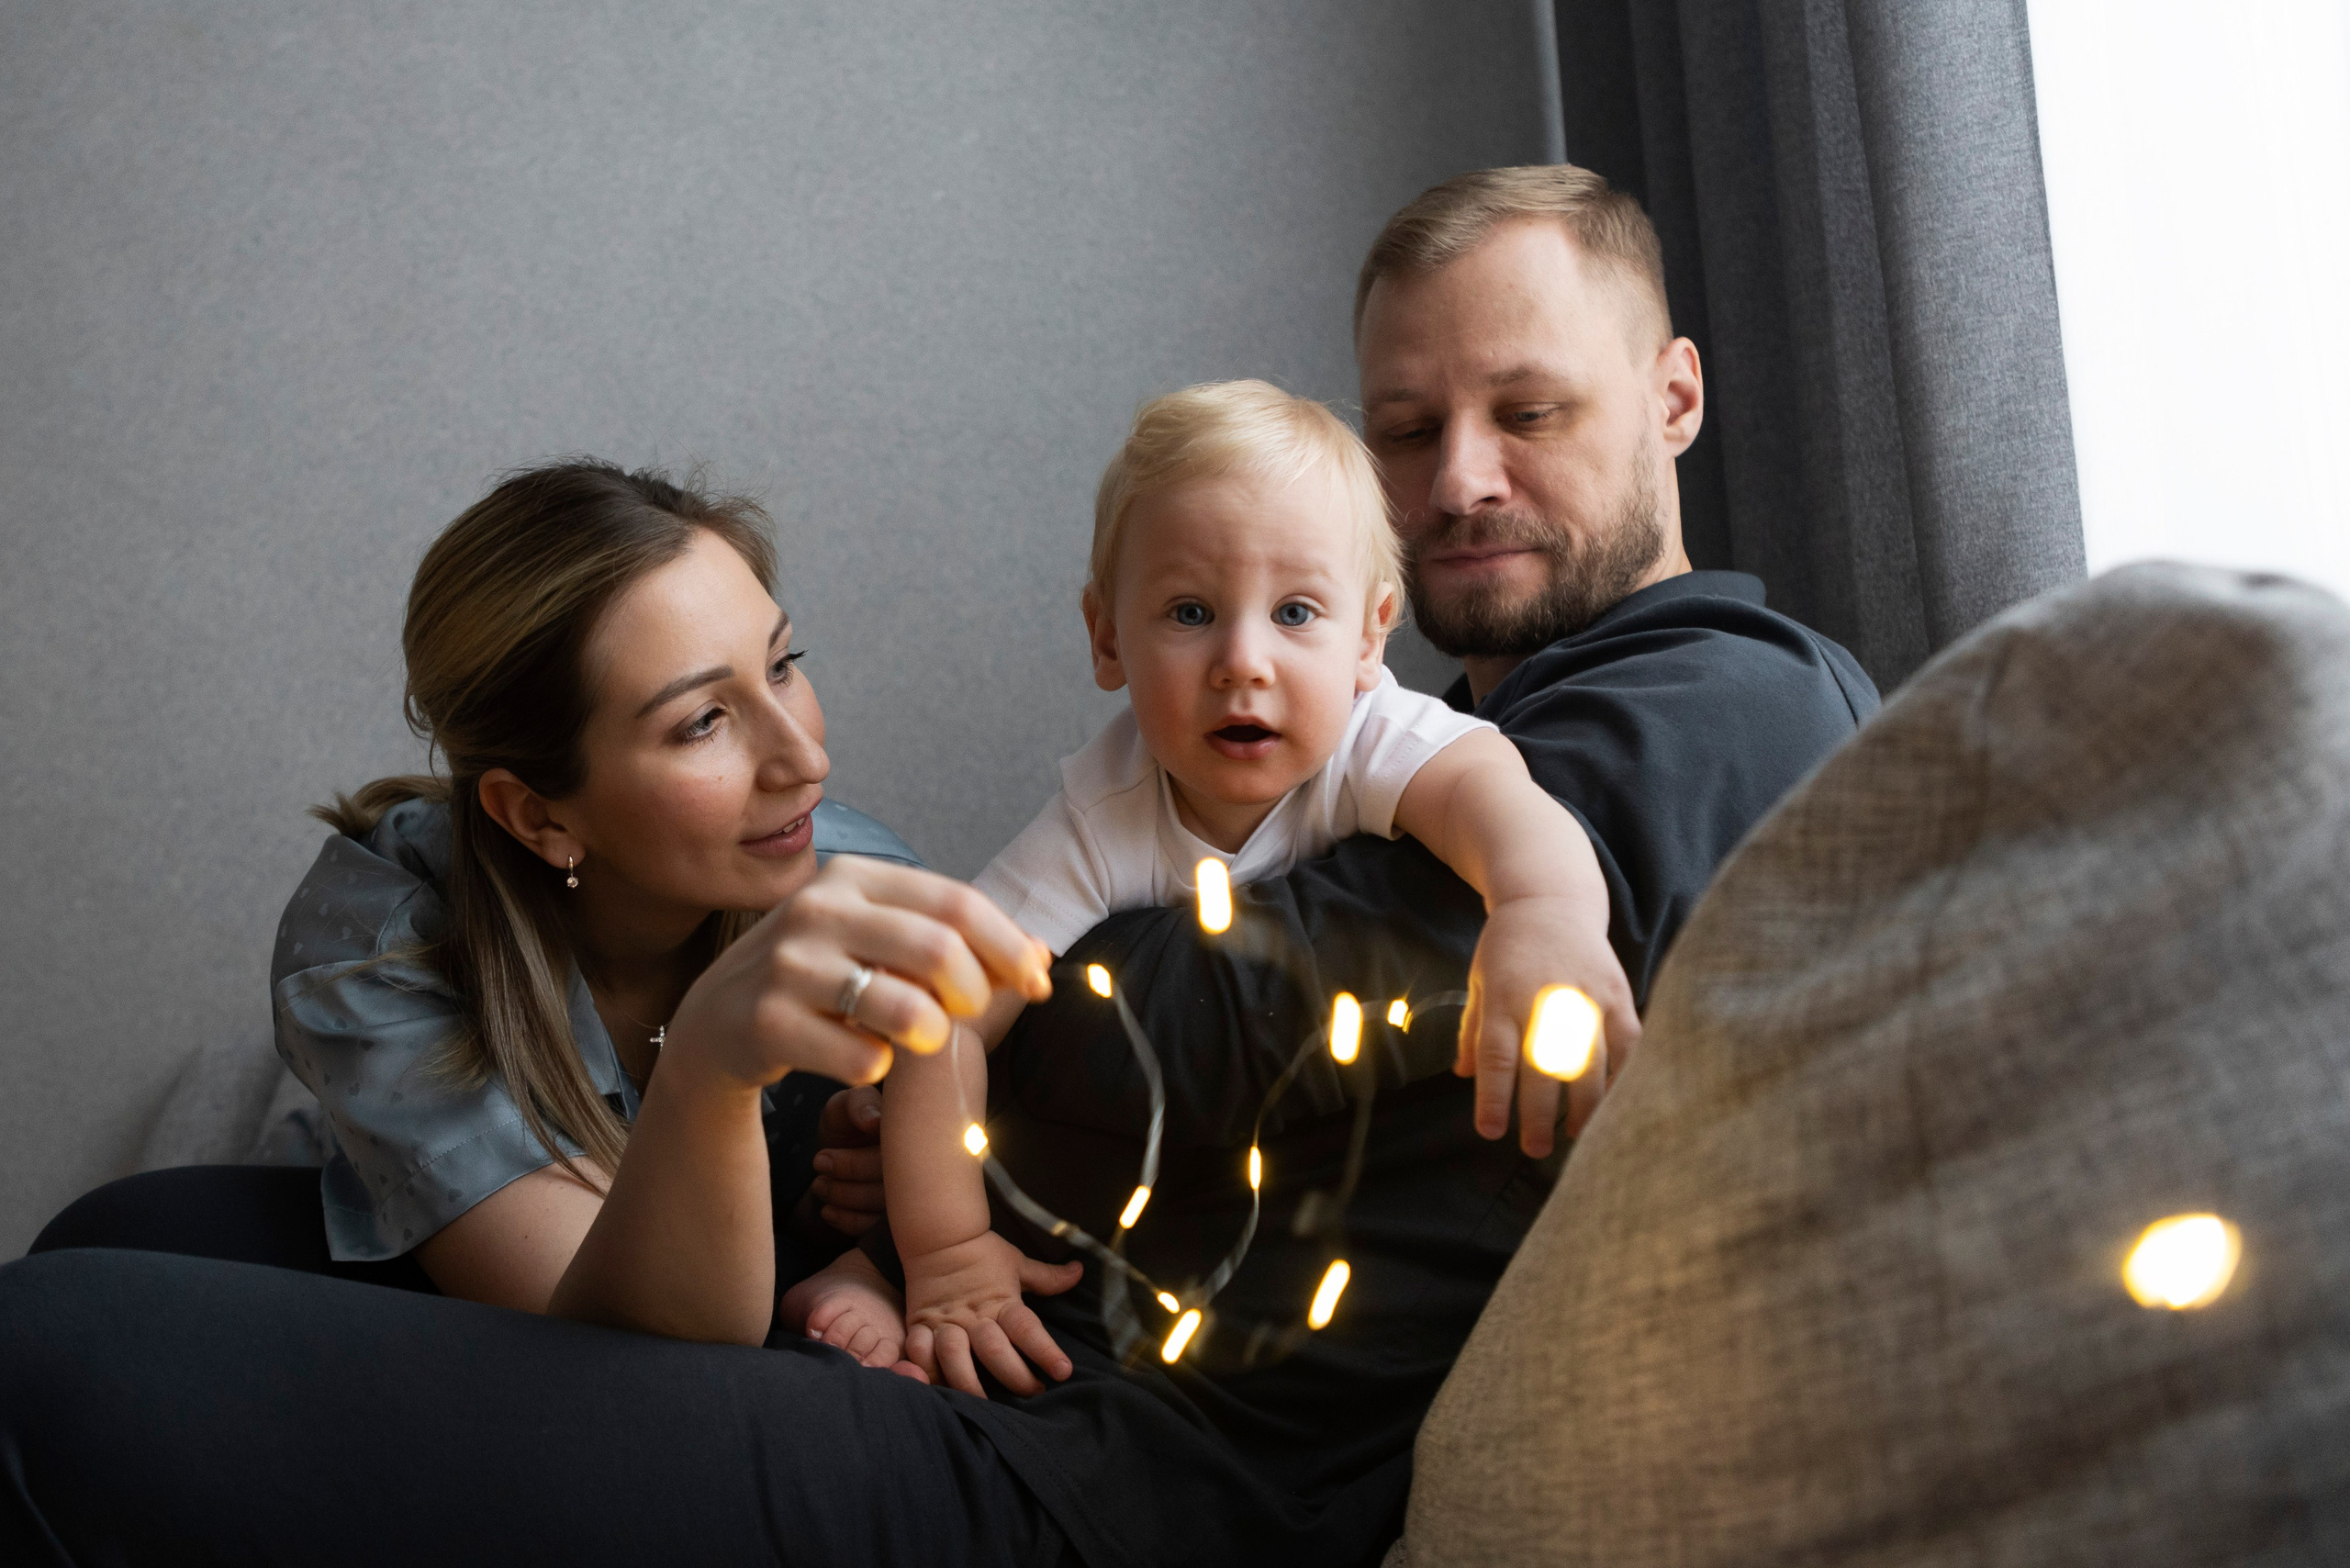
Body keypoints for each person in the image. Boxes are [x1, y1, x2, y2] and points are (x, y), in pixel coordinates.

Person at [1, 164, 1876, 1568]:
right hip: (937, 1309)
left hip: (1101, 1445)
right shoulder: (1361, 727)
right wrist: (907, 1122)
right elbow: (1115, 989)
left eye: (1526, 411)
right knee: (123, 1230)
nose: (1455, 471)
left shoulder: (1715, 695)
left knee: (56, 1339)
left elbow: (1195, 1022)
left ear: (1673, 400)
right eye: (1405, 425)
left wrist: (913, 1099)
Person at [787, 379, 1638, 1391]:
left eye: (1295, 613)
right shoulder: (1101, 816)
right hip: (1106, 1167)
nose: (1244, 662)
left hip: (1304, 1186)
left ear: (1369, 637)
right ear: (1108, 638)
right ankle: (871, 1265)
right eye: (1189, 612)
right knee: (925, 1097)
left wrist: (1544, 915)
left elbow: (1498, 802)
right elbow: (947, 1015)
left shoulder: (1376, 737)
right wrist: (946, 1256)